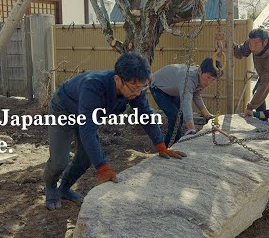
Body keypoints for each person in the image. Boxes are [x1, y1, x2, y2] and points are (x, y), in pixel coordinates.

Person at [43, 52, 187, 210]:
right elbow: (88, 132)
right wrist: (103, 169)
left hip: (86, 112)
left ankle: (64, 188)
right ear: (118, 80)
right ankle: (50, 187)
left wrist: (161, 146)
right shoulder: (93, 86)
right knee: (59, 161)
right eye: (135, 88)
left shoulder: (134, 88)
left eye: (142, 87)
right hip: (63, 109)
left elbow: (145, 114)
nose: (138, 93)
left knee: (85, 158)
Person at [150, 57, 221, 146]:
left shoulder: (200, 78)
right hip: (158, 88)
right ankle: (168, 146)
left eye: (213, 80)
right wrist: (191, 128)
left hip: (172, 89)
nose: (208, 82)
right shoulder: (188, 79)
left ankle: (175, 142)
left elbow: (196, 95)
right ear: (200, 71)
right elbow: (186, 101)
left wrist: (208, 116)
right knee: (175, 116)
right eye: (208, 77)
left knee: (180, 116)